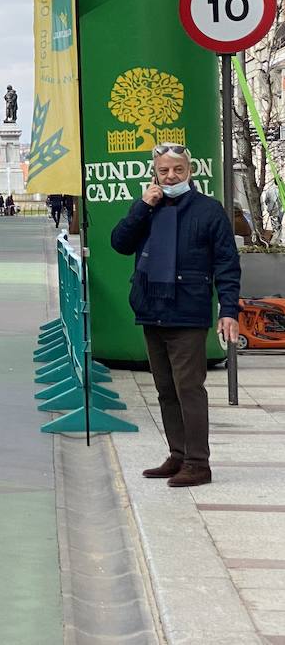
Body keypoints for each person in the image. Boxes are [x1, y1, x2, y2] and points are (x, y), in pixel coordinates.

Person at [110, 142, 240, 488]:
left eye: (177, 170)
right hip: (152, 309)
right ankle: (178, 454)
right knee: (165, 389)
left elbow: (227, 263)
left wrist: (228, 309)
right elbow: (120, 243)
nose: (171, 176)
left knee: (189, 388)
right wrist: (141, 206)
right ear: (155, 174)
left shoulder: (209, 211)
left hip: (188, 312)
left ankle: (199, 463)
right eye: (164, 170)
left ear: (190, 171)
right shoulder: (147, 208)